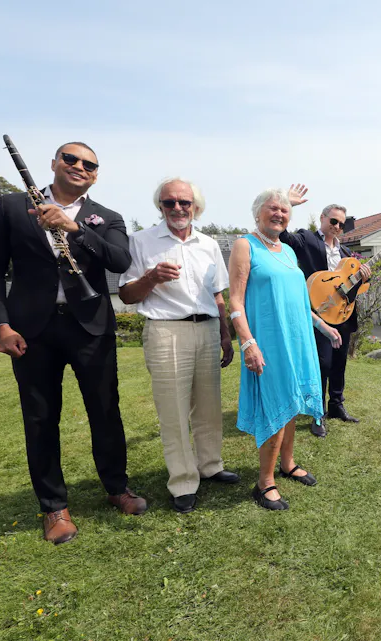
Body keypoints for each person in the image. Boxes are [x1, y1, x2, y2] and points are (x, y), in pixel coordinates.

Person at [0, 141, 146, 544]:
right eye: (70, 159)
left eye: (89, 164)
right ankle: (54, 507)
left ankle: (117, 488)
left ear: (96, 174)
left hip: (90, 326)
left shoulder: (106, 217)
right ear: (54, 163)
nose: (79, 166)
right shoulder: (12, 207)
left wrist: (76, 229)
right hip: (32, 330)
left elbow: (119, 261)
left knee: (106, 412)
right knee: (40, 417)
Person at [118, 178, 238, 513]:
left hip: (209, 328)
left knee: (209, 405)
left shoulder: (208, 244)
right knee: (173, 410)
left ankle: (210, 465)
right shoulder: (141, 241)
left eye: (184, 202)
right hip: (167, 330)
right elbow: (126, 295)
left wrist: (226, 334)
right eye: (169, 202)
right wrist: (151, 277)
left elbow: (218, 294)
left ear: (196, 207)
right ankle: (183, 481)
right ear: (160, 206)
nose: (177, 208)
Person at [228, 188, 342, 510]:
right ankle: (264, 482)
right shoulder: (244, 245)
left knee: (292, 403)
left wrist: (323, 326)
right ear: (257, 213)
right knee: (276, 406)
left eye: (284, 210)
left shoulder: (288, 252)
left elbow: (300, 302)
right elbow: (235, 298)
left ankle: (287, 463)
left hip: (298, 339)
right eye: (272, 208)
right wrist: (248, 342)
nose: (279, 214)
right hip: (268, 341)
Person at [278, 188, 370, 437]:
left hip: (343, 316)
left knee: (339, 364)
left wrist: (362, 279)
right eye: (333, 221)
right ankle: (317, 413)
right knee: (323, 363)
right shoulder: (307, 240)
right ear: (322, 218)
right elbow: (282, 235)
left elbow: (351, 290)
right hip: (318, 317)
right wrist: (288, 204)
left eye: (341, 224)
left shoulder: (346, 254)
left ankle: (337, 405)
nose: (337, 227)